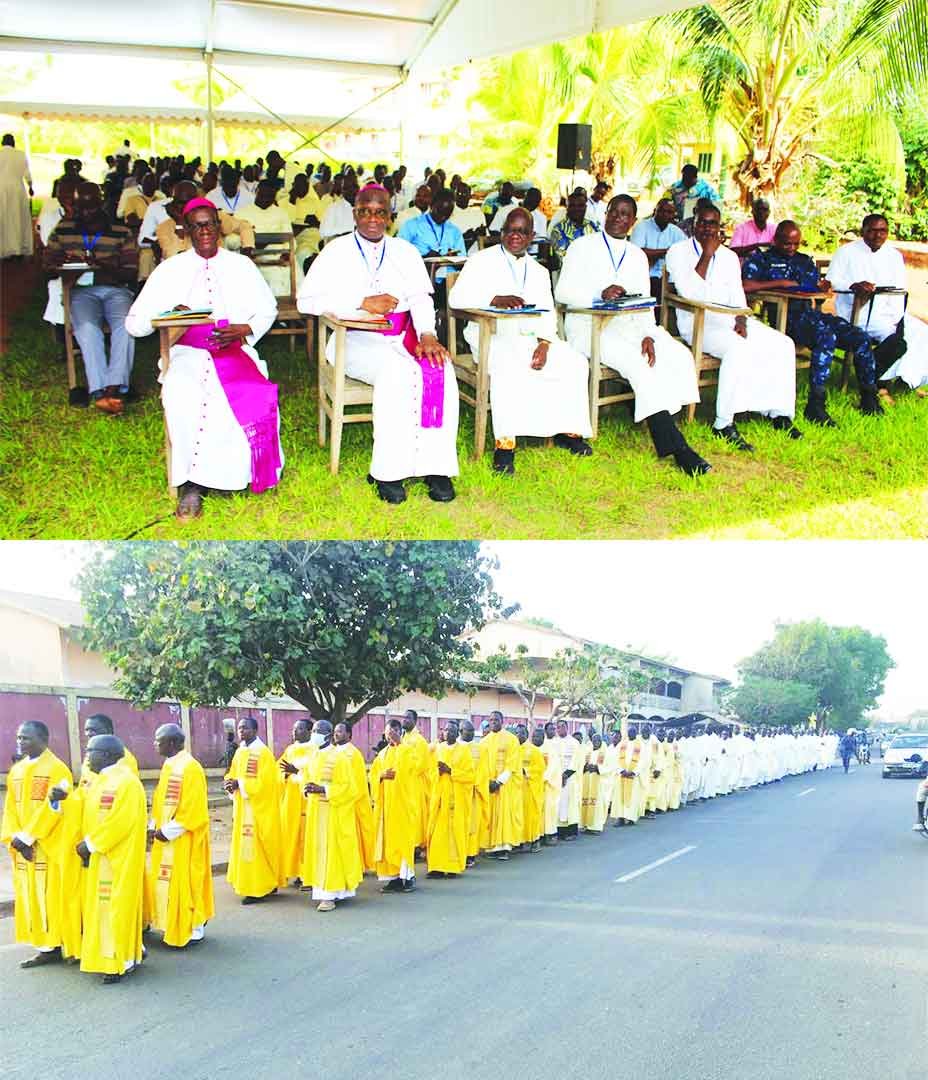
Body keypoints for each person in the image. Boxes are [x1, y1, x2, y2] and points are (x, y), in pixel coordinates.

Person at [298, 182, 459, 504]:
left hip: (403, 337)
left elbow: (420, 298)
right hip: (355, 340)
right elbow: (306, 301)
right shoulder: (335, 250)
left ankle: (436, 467)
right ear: (355, 214)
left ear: (390, 216)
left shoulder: (405, 251)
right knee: (396, 374)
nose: (372, 219)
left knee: (442, 371)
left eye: (380, 212)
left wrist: (427, 334)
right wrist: (361, 301)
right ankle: (387, 472)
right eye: (365, 212)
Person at [126, 197, 282, 520]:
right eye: (196, 226)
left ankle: (234, 476)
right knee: (183, 393)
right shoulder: (170, 269)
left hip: (234, 349)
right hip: (187, 351)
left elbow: (268, 309)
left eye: (209, 223)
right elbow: (134, 324)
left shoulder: (241, 265)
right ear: (186, 231)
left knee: (247, 395)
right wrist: (170, 315)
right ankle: (192, 485)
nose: (204, 231)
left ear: (219, 226)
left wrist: (246, 329)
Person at [556, 194, 710, 476]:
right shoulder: (581, 246)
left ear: (632, 221)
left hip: (629, 325)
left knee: (676, 354)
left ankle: (657, 410)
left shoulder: (637, 256)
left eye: (625, 215)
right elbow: (562, 293)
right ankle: (677, 447)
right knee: (638, 363)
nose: (618, 218)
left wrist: (648, 334)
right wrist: (597, 295)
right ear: (606, 214)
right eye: (614, 212)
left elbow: (642, 304)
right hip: (589, 326)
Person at [448, 207, 594, 475]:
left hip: (530, 338)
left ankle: (567, 432)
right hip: (490, 336)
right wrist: (493, 299)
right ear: (502, 233)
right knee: (507, 366)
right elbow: (455, 300)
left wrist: (545, 343)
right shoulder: (480, 260)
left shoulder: (538, 271)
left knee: (575, 362)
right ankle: (505, 444)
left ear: (532, 236)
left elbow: (548, 312)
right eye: (511, 230)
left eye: (522, 232)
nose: (516, 236)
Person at [665, 203, 801, 450]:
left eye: (713, 223)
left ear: (720, 226)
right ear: (693, 223)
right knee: (738, 350)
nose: (707, 228)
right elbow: (690, 292)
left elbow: (738, 295)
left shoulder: (728, 256)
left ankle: (778, 413)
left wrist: (740, 320)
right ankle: (723, 423)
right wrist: (706, 255)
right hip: (699, 323)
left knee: (783, 344)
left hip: (731, 318)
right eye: (703, 222)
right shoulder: (678, 251)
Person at [742, 221, 881, 424]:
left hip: (812, 314)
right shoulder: (761, 259)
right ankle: (816, 404)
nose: (791, 248)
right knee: (826, 337)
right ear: (776, 239)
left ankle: (869, 397)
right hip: (785, 319)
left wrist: (822, 289)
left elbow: (817, 293)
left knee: (859, 336)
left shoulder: (804, 260)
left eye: (796, 244)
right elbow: (745, 285)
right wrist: (780, 283)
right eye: (787, 243)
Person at [42, 181, 138, 413]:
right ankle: (99, 389)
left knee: (125, 326)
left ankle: (114, 387)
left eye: (91, 207)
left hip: (115, 290)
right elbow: (46, 266)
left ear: (101, 202)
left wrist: (102, 265)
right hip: (81, 292)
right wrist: (61, 264)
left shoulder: (120, 231)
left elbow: (130, 272)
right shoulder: (64, 229)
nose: (85, 213)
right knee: (86, 328)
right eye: (80, 208)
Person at [1, 722, 74, 968]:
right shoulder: (17, 770)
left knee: (51, 895)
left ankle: (63, 941)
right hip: (23, 845)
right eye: (19, 737)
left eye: (27, 738)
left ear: (43, 738)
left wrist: (29, 837)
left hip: (47, 844)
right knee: (31, 896)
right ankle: (45, 947)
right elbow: (10, 808)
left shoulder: (57, 769)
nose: (21, 742)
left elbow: (55, 808)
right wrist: (15, 838)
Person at [827, 214, 928, 394]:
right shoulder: (846, 252)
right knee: (896, 341)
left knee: (922, 332)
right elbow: (832, 281)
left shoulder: (893, 255)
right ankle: (877, 383)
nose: (878, 235)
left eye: (882, 231)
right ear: (862, 231)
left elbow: (900, 289)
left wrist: (897, 318)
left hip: (889, 312)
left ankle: (907, 380)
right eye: (872, 230)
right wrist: (853, 286)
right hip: (857, 312)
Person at [76, 734, 147, 984]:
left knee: (117, 908)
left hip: (119, 858)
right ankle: (117, 956)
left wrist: (91, 844)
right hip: (101, 857)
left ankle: (122, 961)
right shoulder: (99, 781)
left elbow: (121, 822)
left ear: (105, 754)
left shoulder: (126, 782)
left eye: (90, 751)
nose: (86, 756)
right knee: (103, 909)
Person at [146, 723, 214, 948]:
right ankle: (171, 924)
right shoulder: (169, 765)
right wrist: (153, 825)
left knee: (187, 882)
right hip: (164, 837)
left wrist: (167, 831)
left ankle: (193, 928)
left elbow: (194, 809)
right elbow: (160, 800)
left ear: (173, 743)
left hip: (183, 838)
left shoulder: (190, 767)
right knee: (166, 882)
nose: (154, 744)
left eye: (159, 740)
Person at [299, 720, 363, 912]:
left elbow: (350, 789)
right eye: (313, 731)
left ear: (328, 735)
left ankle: (329, 895)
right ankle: (323, 890)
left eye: (318, 731)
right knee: (319, 851)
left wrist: (324, 789)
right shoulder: (314, 756)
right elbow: (307, 778)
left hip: (333, 814)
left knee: (331, 852)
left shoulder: (339, 758)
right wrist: (307, 788)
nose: (314, 734)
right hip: (317, 813)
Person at [223, 716, 283, 904]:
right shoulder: (240, 752)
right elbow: (233, 773)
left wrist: (240, 783)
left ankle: (258, 888)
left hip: (259, 810)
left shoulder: (262, 753)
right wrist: (230, 783)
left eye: (246, 728)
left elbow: (266, 784)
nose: (242, 731)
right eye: (240, 728)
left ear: (255, 730)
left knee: (258, 847)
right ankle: (253, 884)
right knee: (245, 846)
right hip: (243, 808)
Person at [369, 718, 418, 892]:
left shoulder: (408, 750)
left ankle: (408, 877)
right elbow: (373, 776)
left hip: (402, 805)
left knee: (403, 841)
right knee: (387, 842)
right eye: (387, 733)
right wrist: (381, 776)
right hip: (385, 807)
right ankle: (393, 878)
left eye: (393, 733)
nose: (389, 737)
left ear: (399, 732)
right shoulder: (382, 754)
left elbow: (413, 770)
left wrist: (400, 744)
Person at [426, 719, 476, 877]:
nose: (449, 733)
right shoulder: (438, 749)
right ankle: (436, 867)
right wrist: (437, 773)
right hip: (440, 799)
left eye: (453, 731)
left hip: (456, 801)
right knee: (436, 833)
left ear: (458, 733)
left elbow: (470, 776)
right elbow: (428, 772)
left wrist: (450, 771)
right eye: (446, 730)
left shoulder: (464, 751)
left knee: (454, 834)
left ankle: (452, 867)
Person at [235, 179, 296, 295]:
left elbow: (290, 237)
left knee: (293, 271)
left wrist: (286, 253)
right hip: (253, 257)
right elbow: (233, 240)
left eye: (270, 196)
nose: (266, 198)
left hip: (278, 256)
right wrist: (250, 244)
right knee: (275, 276)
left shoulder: (281, 213)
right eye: (263, 195)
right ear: (257, 192)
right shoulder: (242, 213)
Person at [479, 711, 523, 859]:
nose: (493, 722)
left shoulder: (511, 739)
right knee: (490, 813)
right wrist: (487, 782)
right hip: (488, 783)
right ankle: (492, 846)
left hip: (505, 784)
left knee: (504, 814)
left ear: (502, 721)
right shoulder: (484, 741)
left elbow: (513, 763)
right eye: (490, 720)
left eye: (496, 720)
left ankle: (504, 846)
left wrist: (499, 781)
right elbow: (480, 764)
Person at [333, 722, 375, 871]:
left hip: (352, 802)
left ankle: (356, 867)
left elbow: (357, 782)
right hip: (336, 801)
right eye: (335, 731)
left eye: (340, 731)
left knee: (354, 837)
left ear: (349, 735)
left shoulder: (353, 754)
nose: (336, 734)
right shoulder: (332, 752)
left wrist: (348, 798)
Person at [398, 187, 465, 282]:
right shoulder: (412, 225)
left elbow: (462, 262)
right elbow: (399, 255)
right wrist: (424, 258)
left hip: (448, 282)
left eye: (447, 214)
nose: (442, 217)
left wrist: (451, 258)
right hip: (419, 279)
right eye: (440, 211)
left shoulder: (455, 231)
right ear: (432, 204)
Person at [278, 718, 316, 883]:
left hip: (308, 800)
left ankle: (308, 873)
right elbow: (277, 770)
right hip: (291, 800)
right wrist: (285, 774)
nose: (294, 732)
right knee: (291, 835)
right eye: (294, 729)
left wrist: (297, 772)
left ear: (309, 731)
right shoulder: (290, 750)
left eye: (299, 729)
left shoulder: (315, 750)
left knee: (308, 836)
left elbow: (316, 773)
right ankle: (296, 871)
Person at [630, 198, 686, 301]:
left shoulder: (676, 232)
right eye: (661, 210)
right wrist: (666, 251)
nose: (665, 214)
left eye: (669, 212)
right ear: (655, 211)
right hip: (645, 277)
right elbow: (638, 253)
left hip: (669, 279)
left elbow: (685, 255)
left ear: (674, 214)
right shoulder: (642, 227)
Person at [79, 713, 140, 790]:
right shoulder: (90, 756)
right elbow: (83, 789)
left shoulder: (121, 757)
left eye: (93, 730)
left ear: (109, 731)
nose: (88, 734)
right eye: (86, 730)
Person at [401, 709, 433, 853]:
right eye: (404, 717)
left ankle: (416, 845)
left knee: (416, 814)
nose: (405, 720)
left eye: (408, 718)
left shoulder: (419, 740)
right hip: (403, 782)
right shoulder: (403, 738)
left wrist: (407, 771)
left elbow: (422, 764)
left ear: (415, 721)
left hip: (415, 782)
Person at [459, 718, 489, 867]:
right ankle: (459, 853)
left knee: (472, 825)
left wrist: (475, 785)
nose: (470, 733)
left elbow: (483, 771)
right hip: (458, 793)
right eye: (467, 730)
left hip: (474, 792)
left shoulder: (480, 749)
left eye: (472, 731)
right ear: (460, 731)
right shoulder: (453, 748)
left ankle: (470, 855)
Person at [0, 133, 34, 259]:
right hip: (17, 189)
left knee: (3, 219)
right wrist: (31, 186)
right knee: (17, 219)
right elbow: (27, 174)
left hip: (1, 189)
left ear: (2, 142)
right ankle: (17, 248)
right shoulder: (20, 154)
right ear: (13, 142)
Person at [553, 720, 585, 839]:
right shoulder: (554, 742)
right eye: (558, 727)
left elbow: (577, 760)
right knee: (559, 803)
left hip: (570, 777)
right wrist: (557, 774)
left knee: (570, 804)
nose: (560, 729)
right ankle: (560, 831)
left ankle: (571, 832)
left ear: (567, 728)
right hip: (557, 776)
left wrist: (566, 775)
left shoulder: (574, 742)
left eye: (562, 727)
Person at [548, 189, 600, 259]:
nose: (576, 208)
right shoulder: (559, 230)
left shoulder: (593, 226)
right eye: (572, 205)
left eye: (580, 205)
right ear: (567, 208)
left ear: (585, 207)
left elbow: (600, 249)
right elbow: (563, 258)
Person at [519, 724, 545, 851]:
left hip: (531, 788)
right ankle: (522, 841)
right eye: (517, 733)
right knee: (521, 815)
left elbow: (540, 769)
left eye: (521, 733)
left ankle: (535, 840)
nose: (519, 736)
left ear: (526, 734)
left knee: (532, 815)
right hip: (519, 789)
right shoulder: (515, 749)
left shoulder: (533, 750)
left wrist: (526, 771)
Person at [319, 171, 359, 241]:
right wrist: (348, 231)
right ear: (343, 191)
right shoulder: (333, 208)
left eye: (354, 186)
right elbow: (323, 232)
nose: (351, 190)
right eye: (347, 187)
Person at [451, 183, 486, 251]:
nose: (461, 196)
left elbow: (485, 237)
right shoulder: (448, 213)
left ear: (470, 196)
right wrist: (465, 237)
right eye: (459, 193)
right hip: (455, 253)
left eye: (464, 194)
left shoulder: (478, 214)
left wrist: (480, 234)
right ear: (454, 196)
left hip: (477, 252)